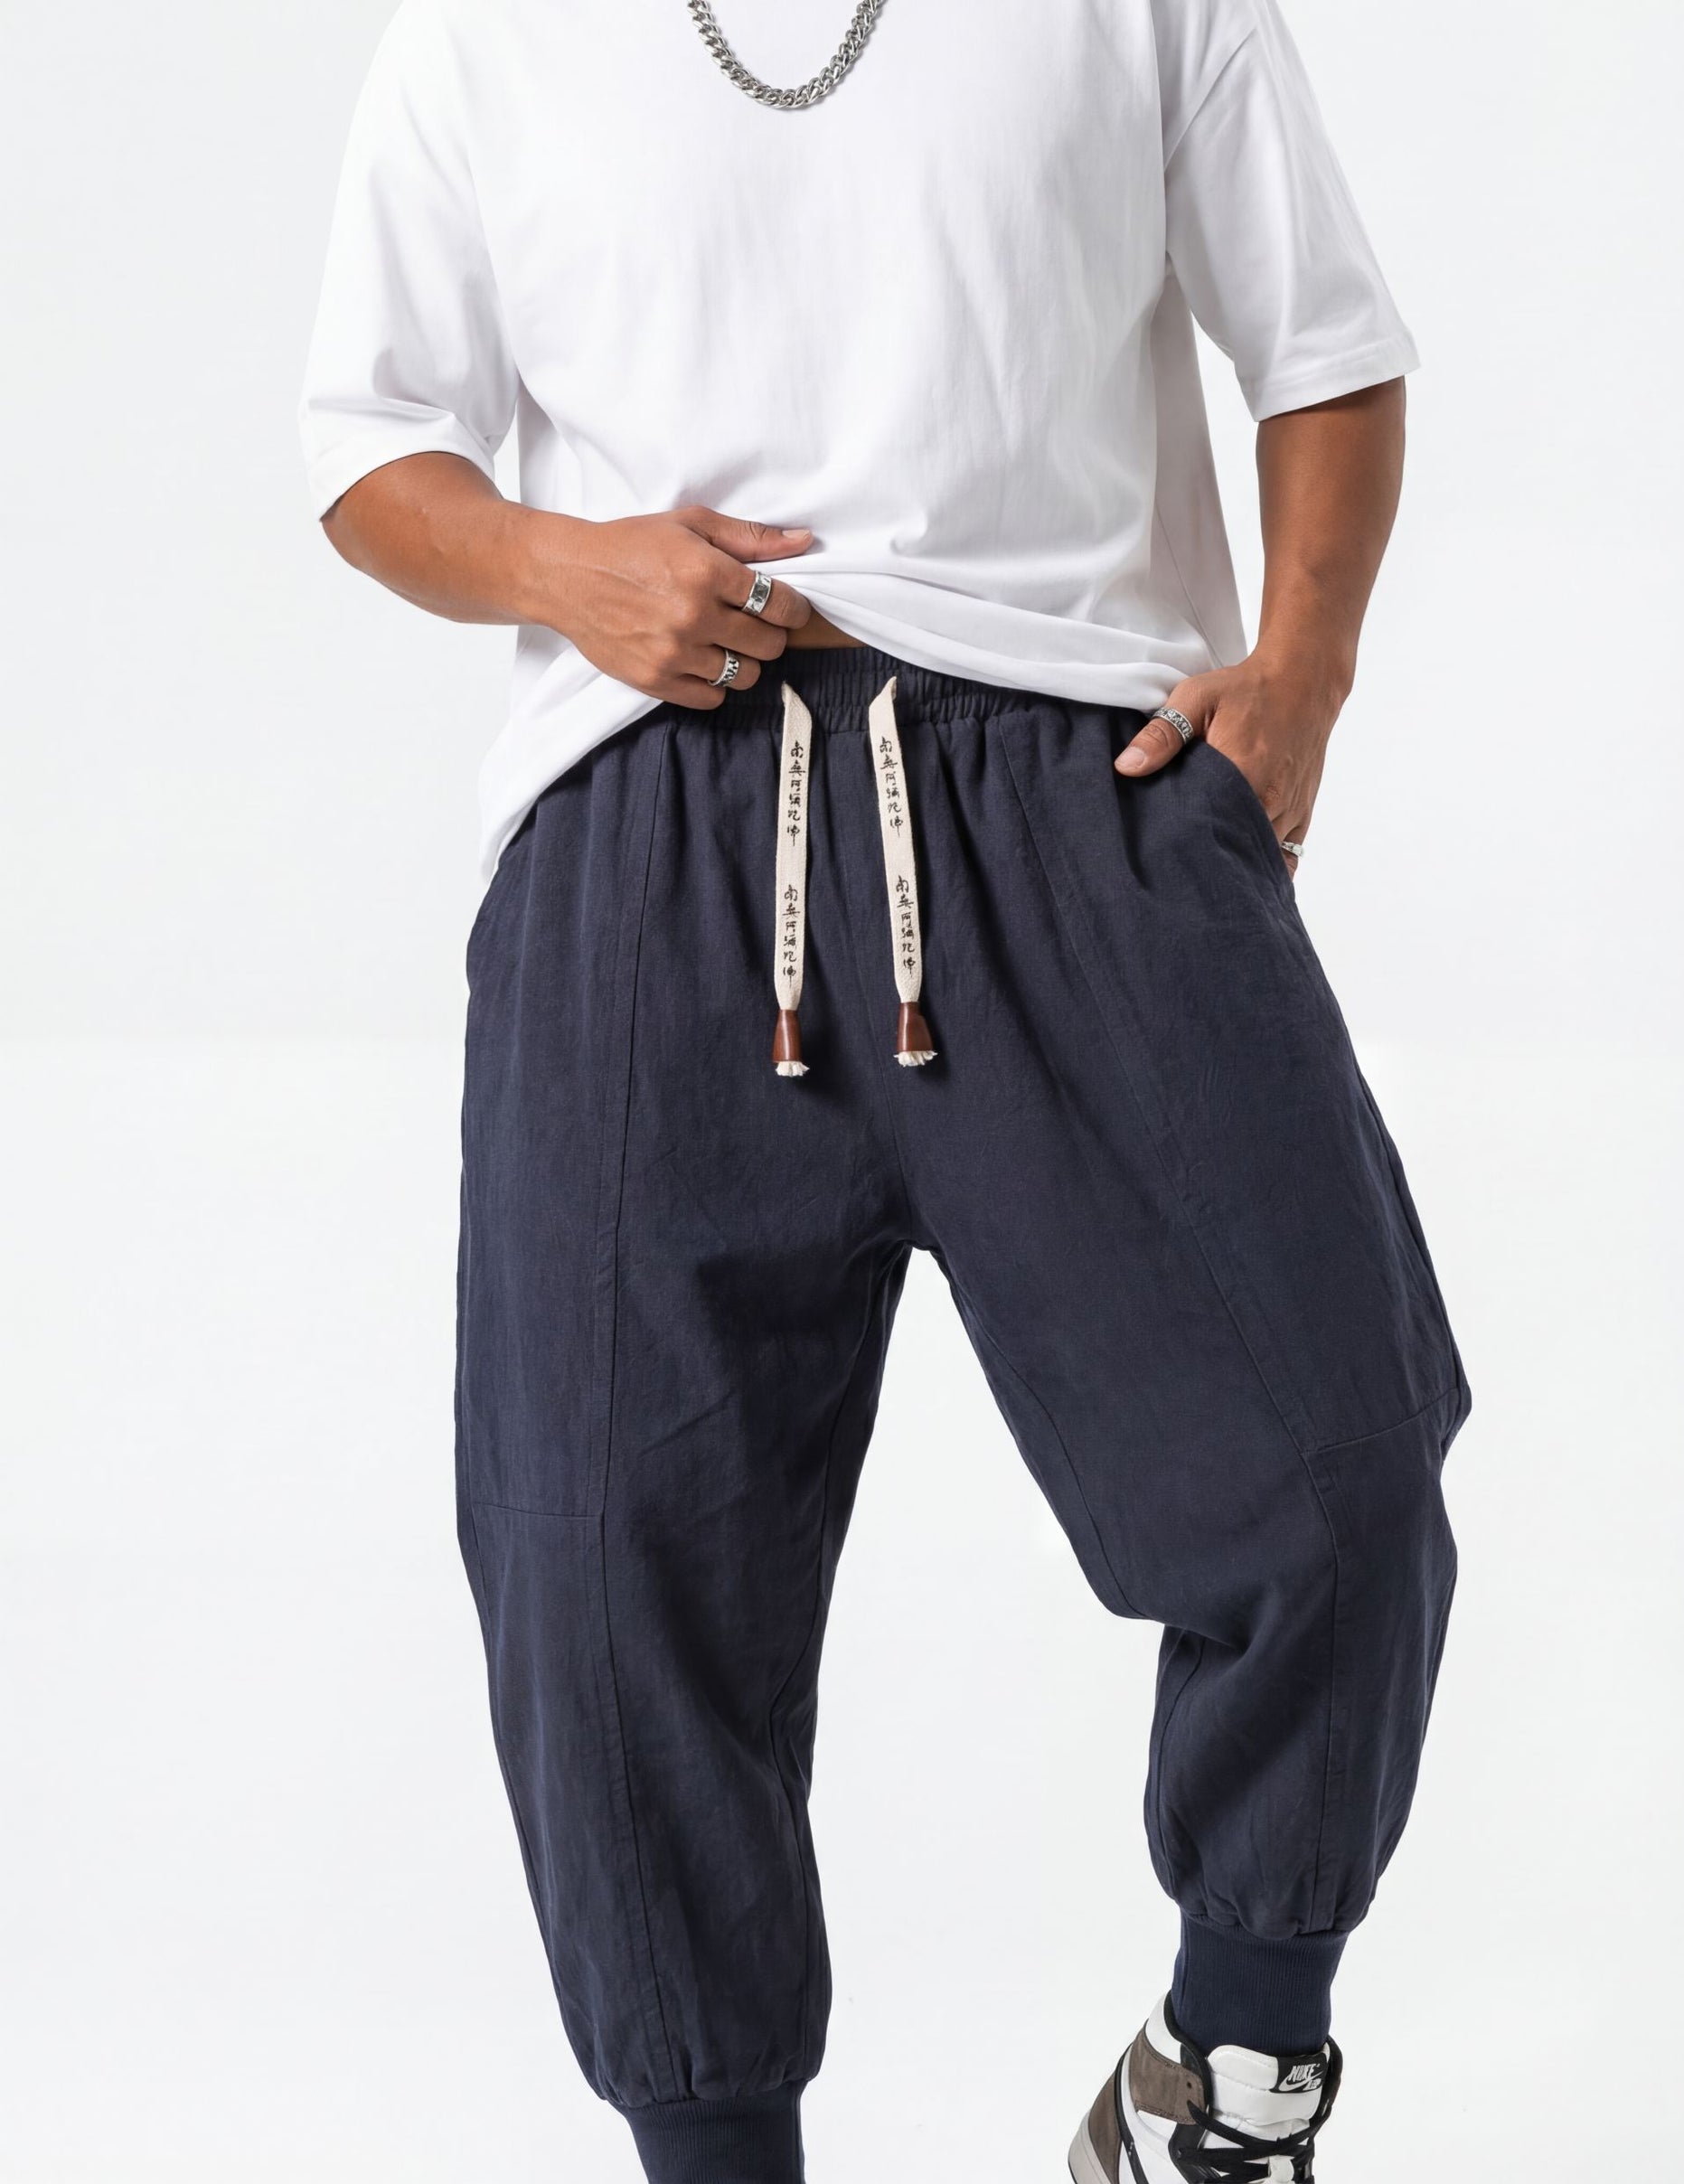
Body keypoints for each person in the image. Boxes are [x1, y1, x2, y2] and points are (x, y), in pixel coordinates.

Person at [299, 1, 1468, 2176]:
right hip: (646, 829)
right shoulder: (482, 35)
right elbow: (371, 452)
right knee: (601, 1572)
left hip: (1078, 797)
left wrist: (1299, 675)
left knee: (1336, 1473)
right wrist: (567, 568)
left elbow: (1322, 346)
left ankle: (1225, 2072)